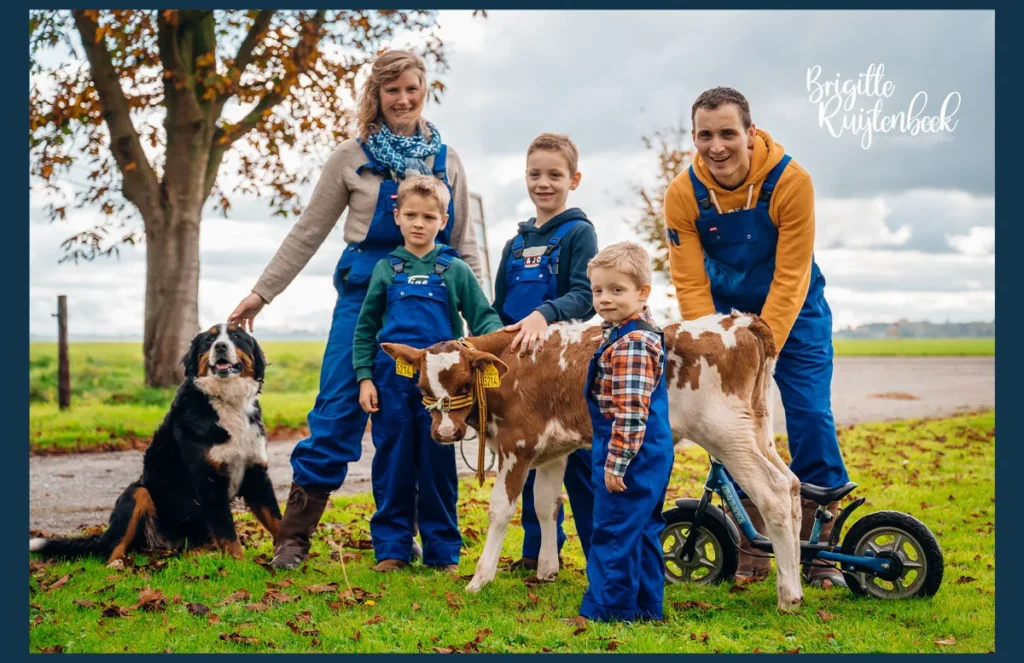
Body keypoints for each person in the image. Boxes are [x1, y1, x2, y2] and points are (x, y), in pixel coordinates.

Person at [227, 50, 484, 570]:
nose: (403, 99)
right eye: (392, 91)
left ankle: (412, 541)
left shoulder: (447, 160)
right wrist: (263, 292)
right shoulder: (350, 155)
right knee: (339, 410)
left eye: (411, 88)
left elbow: (465, 242)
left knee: (426, 418)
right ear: (377, 94)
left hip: (434, 306)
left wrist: (480, 324)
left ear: (424, 88)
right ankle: (294, 538)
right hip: (365, 302)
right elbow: (309, 230)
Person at [663, 86, 850, 587]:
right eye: (705, 135)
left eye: (727, 133)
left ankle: (821, 543)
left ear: (749, 132)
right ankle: (754, 537)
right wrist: (714, 352)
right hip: (725, 315)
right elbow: (690, 283)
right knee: (730, 421)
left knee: (810, 412)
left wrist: (763, 348)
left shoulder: (792, 182)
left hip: (798, 313)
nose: (716, 146)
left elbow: (791, 277)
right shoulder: (683, 194)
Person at [353, 175, 503, 573]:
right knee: (393, 464)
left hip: (445, 390)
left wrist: (498, 345)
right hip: (394, 383)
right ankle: (392, 549)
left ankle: (443, 554)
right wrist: (365, 377)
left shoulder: (453, 269)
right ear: (397, 216)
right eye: (412, 215)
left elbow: (483, 318)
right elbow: (366, 328)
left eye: (430, 216)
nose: (420, 223)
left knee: (438, 471)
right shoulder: (387, 270)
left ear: (444, 220)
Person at [493, 133, 599, 570]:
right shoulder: (514, 245)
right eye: (535, 174)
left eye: (555, 174)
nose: (544, 183)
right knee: (529, 459)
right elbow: (499, 307)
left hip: (564, 370)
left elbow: (586, 294)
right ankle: (536, 553)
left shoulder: (579, 232)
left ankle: (601, 558)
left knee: (580, 471)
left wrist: (544, 315)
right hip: (522, 373)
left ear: (573, 179)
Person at [578, 242, 674, 622]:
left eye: (617, 290)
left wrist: (616, 464)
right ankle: (646, 607)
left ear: (642, 292)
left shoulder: (631, 343)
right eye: (598, 290)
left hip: (629, 450)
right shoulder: (632, 331)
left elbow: (631, 412)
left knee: (614, 530)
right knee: (644, 527)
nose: (604, 299)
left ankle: (608, 611)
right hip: (649, 450)